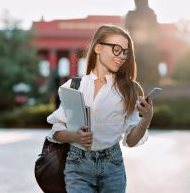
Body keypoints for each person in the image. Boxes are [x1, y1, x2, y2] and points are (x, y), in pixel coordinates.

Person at [46, 25, 153, 192]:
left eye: (125, 52)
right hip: (77, 165)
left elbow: (131, 141)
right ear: (98, 48)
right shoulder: (74, 86)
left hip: (113, 166)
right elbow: (56, 132)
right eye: (117, 49)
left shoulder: (130, 89)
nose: (122, 56)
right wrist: (75, 136)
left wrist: (146, 118)